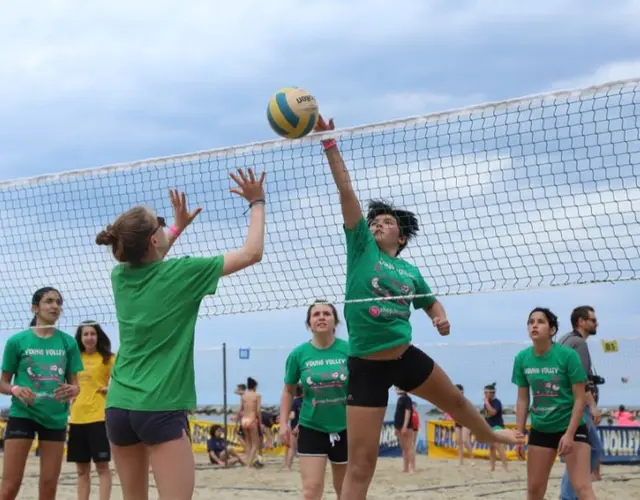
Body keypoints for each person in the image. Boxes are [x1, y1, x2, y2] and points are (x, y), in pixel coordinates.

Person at [313, 115, 524, 499]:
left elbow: (430, 301)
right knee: (362, 466)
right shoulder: (361, 249)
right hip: (365, 365)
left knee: (457, 401)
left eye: (386, 221)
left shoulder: (410, 271)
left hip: (405, 356)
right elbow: (347, 194)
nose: (377, 224)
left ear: (402, 236)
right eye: (374, 220)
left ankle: (490, 434)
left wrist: (439, 315)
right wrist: (330, 144)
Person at [95, 170, 266, 500]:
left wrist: (175, 226)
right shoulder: (183, 272)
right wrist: (257, 202)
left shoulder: (120, 277)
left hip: (119, 407)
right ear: (154, 240)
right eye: (158, 221)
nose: (163, 224)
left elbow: (146, 255)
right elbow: (252, 253)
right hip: (159, 405)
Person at [0, 287, 84, 500]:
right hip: (23, 415)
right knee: (9, 486)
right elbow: (3, 383)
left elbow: (76, 385)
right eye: (49, 301)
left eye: (58, 302)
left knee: (48, 486)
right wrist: (15, 389)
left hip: (55, 417)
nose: (55, 306)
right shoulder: (17, 341)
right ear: (35, 307)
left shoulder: (69, 342)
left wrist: (73, 389)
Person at [512, 307, 595, 500]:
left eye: (540, 321)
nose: (534, 325)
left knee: (582, 487)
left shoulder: (567, 356)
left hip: (571, 426)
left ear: (552, 330)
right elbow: (523, 399)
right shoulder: (522, 359)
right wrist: (519, 433)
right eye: (531, 322)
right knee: (534, 490)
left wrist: (569, 434)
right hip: (541, 429)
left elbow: (580, 397)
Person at [279, 300, 349, 500]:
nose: (321, 317)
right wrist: (283, 423)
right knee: (311, 491)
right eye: (316, 314)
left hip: (346, 427)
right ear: (309, 323)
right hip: (311, 427)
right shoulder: (299, 354)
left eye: (326, 313)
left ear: (335, 321)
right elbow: (288, 391)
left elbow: (363, 388)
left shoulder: (350, 350)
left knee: (344, 490)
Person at [557, 305, 604, 493]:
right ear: (581, 322)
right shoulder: (579, 344)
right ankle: (569, 495)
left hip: (564, 405)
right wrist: (592, 406)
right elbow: (581, 381)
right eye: (593, 320)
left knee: (581, 453)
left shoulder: (564, 340)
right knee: (593, 450)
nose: (596, 323)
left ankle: (572, 492)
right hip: (576, 406)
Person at [68, 321, 116, 500]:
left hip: (99, 417)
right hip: (77, 417)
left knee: (102, 467)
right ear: (80, 338)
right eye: (85, 334)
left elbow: (123, 380)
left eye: (92, 334)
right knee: (81, 470)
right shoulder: (73, 359)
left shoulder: (108, 358)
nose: (89, 337)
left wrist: (110, 389)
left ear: (98, 336)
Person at [482, 383, 508, 472]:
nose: (485, 394)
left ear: (492, 393)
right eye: (484, 392)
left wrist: (486, 402)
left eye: (487, 393)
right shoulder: (487, 403)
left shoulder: (497, 402)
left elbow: (493, 412)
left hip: (497, 427)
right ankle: (492, 467)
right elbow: (486, 415)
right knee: (491, 448)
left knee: (499, 447)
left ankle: (505, 467)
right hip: (489, 427)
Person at [239, 377, 262, 467]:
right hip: (252, 419)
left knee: (248, 443)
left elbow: (240, 409)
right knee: (255, 444)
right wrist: (260, 422)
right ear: (255, 386)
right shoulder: (257, 395)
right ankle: (249, 465)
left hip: (244, 419)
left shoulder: (244, 395)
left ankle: (248, 462)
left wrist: (237, 418)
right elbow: (258, 410)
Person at [393, 389, 415, 473]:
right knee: (403, 448)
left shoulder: (407, 399)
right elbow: (398, 414)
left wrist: (405, 426)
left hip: (406, 426)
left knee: (409, 447)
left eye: (397, 387)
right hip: (398, 426)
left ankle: (411, 468)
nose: (396, 389)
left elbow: (408, 413)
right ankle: (405, 467)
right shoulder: (400, 399)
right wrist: (396, 428)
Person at [453, 384, 474, 466]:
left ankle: (472, 459)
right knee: (458, 442)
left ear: (461, 391)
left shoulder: (465, 401)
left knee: (465, 441)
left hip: (467, 422)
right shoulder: (453, 401)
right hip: (458, 422)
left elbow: (471, 411)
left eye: (456, 390)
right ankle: (460, 461)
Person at [284, 383, 303, 471]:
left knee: (292, 448)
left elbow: (292, 416)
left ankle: (288, 467)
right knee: (304, 449)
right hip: (304, 426)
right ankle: (304, 467)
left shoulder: (294, 402)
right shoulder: (307, 401)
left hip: (294, 427)